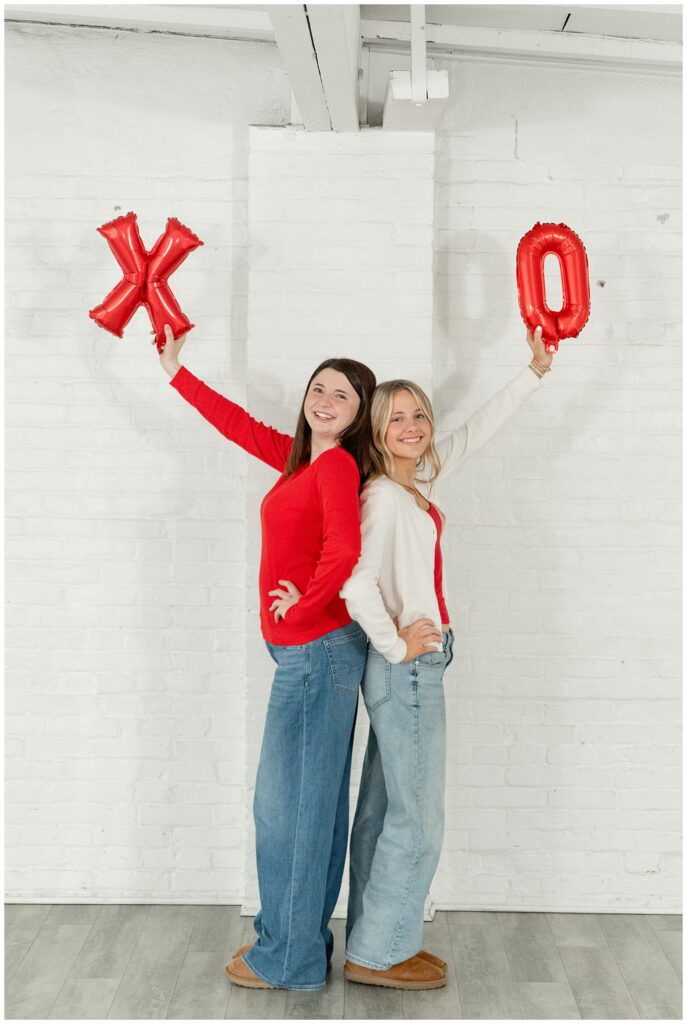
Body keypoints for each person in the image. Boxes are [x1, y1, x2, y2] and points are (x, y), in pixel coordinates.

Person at [159, 324, 376, 991]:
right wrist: (176, 371)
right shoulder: (300, 462)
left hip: (315, 653)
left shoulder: (337, 466)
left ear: (359, 412)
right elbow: (236, 425)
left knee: (288, 812)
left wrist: (301, 610)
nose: (325, 400)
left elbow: (343, 553)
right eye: (319, 388)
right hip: (310, 657)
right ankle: (298, 947)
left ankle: (286, 959)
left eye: (341, 395)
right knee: (307, 809)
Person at [340, 326, 553, 990]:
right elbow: (356, 582)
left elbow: (474, 433)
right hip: (406, 671)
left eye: (418, 414)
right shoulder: (380, 498)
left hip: (410, 669)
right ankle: (379, 955)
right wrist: (395, 641)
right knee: (417, 815)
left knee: (386, 809)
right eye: (395, 417)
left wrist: (533, 371)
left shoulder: (412, 485)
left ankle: (376, 941)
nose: (412, 425)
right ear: (375, 432)